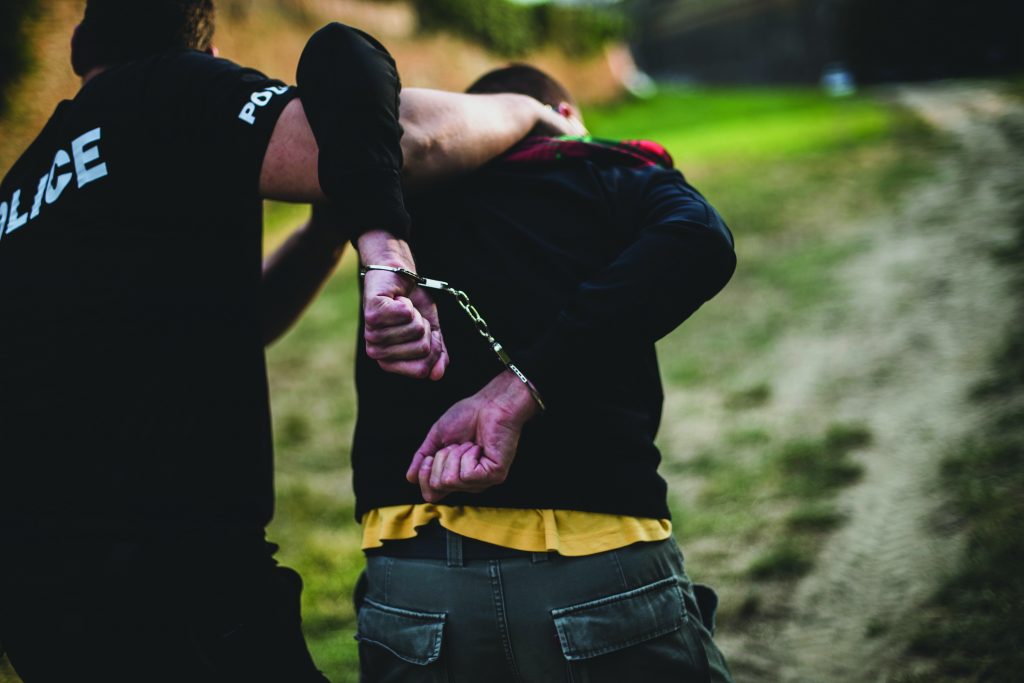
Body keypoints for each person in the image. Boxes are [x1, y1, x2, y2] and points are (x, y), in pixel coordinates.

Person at [0, 2, 579, 679]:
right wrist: (530, 110)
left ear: (77, 47)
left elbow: (226, 323)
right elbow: (385, 146)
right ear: (209, 53)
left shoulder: (25, 185)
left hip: (41, 593)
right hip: (176, 578)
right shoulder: (173, 90)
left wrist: (321, 233)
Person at [269, 65, 737, 681]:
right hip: (599, 562)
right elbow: (700, 239)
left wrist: (335, 219)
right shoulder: (613, 168)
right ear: (565, 117)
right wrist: (523, 384)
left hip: (416, 585)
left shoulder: (390, 196)